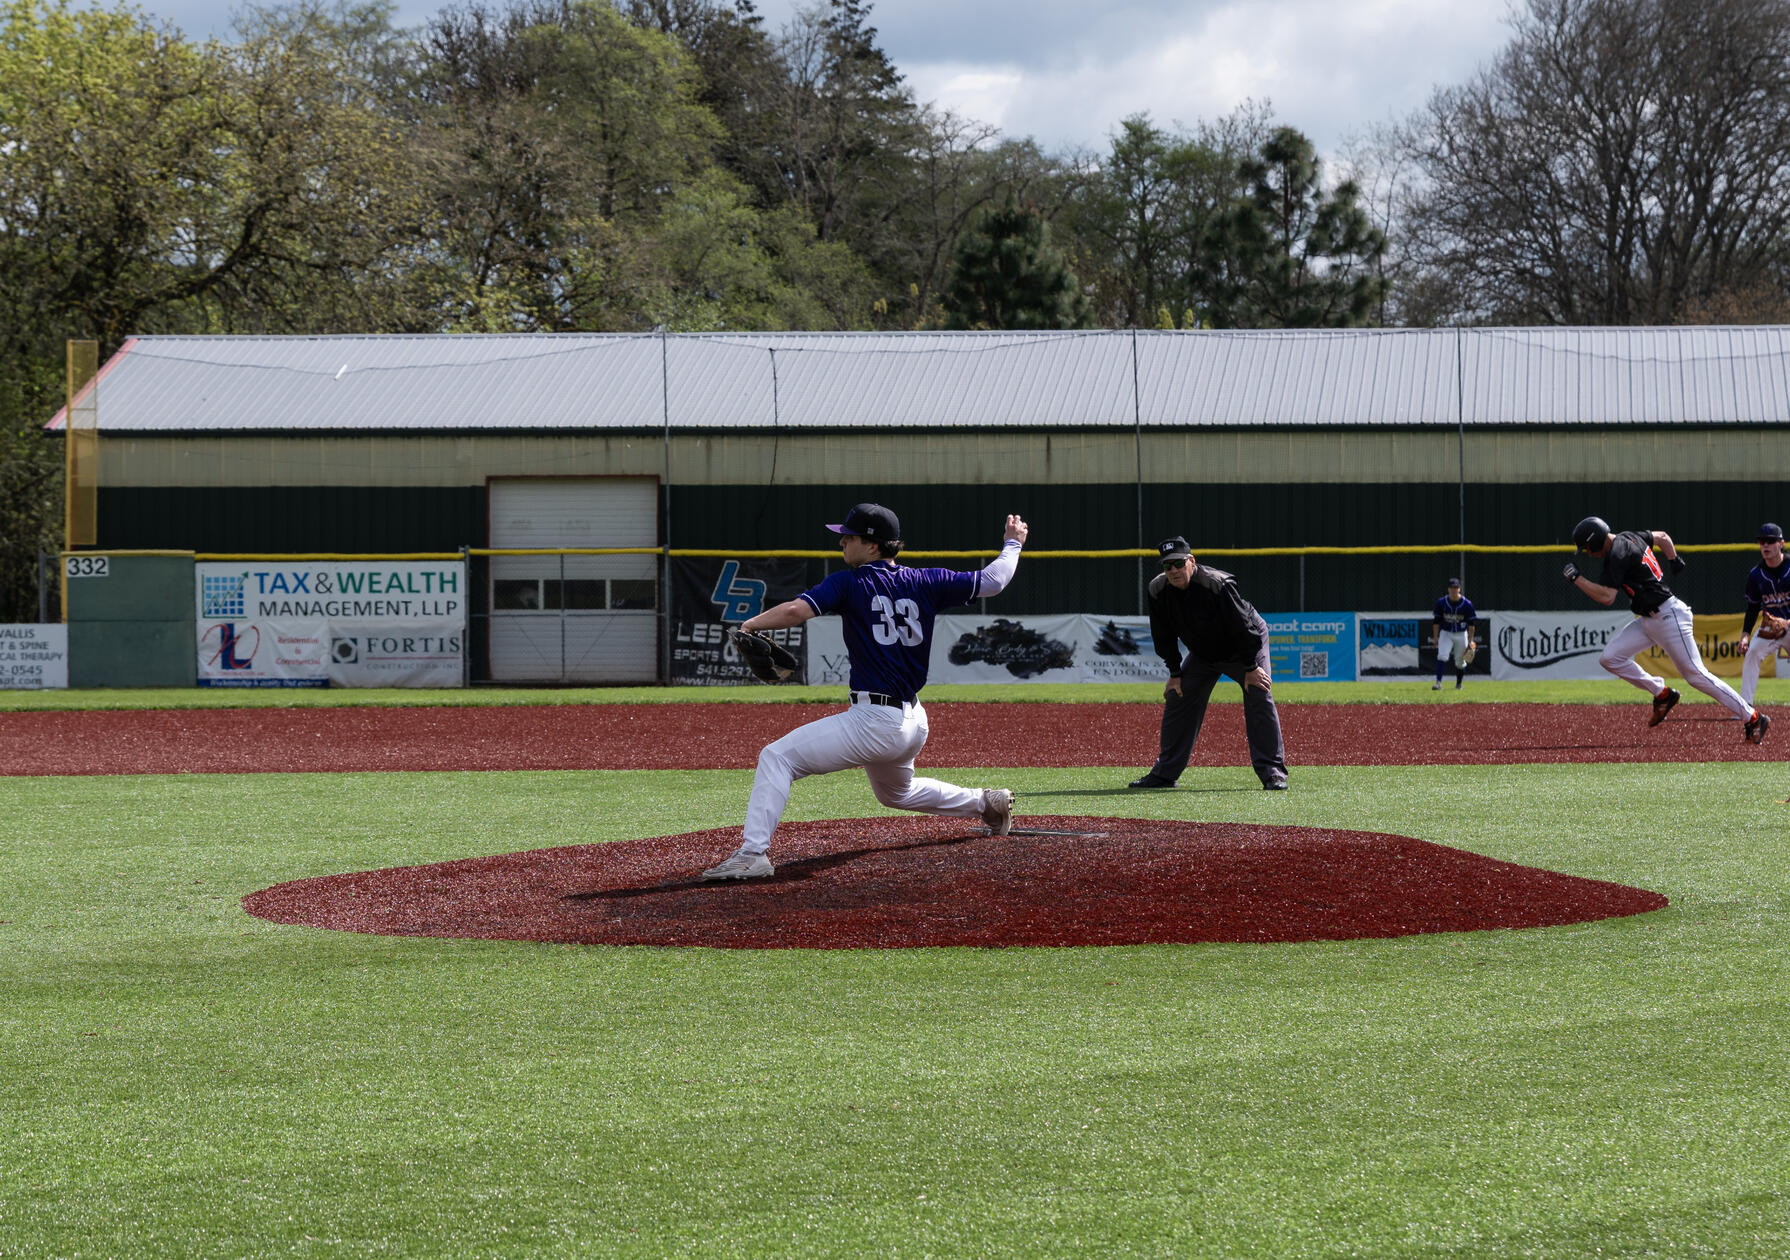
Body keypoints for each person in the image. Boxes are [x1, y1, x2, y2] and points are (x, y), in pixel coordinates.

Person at [701, 503, 1028, 880]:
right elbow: (994, 580)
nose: (842, 541)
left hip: (874, 722)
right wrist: (1012, 544)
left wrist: (750, 626)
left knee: (776, 758)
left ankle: (752, 855)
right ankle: (985, 803)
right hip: (913, 721)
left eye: (850, 536)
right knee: (896, 794)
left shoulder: (849, 582)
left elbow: (795, 611)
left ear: (873, 546)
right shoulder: (926, 580)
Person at [1566, 515, 1768, 743]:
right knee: (1610, 658)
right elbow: (1662, 537)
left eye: (1588, 549)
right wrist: (1673, 559)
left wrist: (1577, 579)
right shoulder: (1630, 536)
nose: (1589, 554)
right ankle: (1662, 693)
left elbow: (1607, 597)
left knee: (1696, 675)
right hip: (1649, 620)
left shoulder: (1617, 554)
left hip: (1668, 617)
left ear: (1595, 541)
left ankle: (1752, 717)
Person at [1128, 536, 1288, 791]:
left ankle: (1272, 772)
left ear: (1191, 561)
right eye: (1167, 566)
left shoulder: (1217, 584)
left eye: (1178, 564)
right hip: (1204, 653)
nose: (1173, 571)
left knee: (1258, 690)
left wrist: (1249, 667)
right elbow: (1163, 635)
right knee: (1177, 695)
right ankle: (1165, 773)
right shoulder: (1158, 590)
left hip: (1241, 646)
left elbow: (1244, 628)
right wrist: (1175, 672)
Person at [1738, 522, 1790, 708]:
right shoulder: (1755, 574)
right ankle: (1745, 707)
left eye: (1770, 541)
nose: (1765, 545)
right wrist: (1745, 635)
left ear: (1781, 543)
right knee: (1752, 652)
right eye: (1762, 541)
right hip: (1770, 627)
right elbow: (1752, 607)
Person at [1431, 577, 1477, 690]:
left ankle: (1459, 684)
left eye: (1455, 587)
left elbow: (1471, 624)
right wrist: (1435, 636)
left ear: (1459, 589)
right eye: (1451, 587)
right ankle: (1438, 683)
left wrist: (1470, 640)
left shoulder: (1467, 604)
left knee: (1460, 662)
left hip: (1461, 634)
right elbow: (1436, 621)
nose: (1453, 590)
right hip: (1446, 633)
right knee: (1442, 656)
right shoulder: (1441, 602)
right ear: (1448, 589)